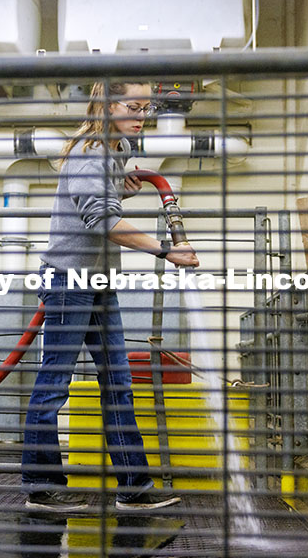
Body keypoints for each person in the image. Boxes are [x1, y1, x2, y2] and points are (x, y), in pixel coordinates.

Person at [21, 81, 200, 512]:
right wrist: (164, 249)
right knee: (54, 385)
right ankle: (41, 488)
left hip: (99, 283)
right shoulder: (92, 150)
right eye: (134, 106)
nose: (143, 115)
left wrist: (119, 189)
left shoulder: (116, 148)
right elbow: (99, 219)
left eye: (147, 107)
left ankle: (134, 488)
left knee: (118, 383)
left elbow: (95, 201)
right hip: (69, 282)